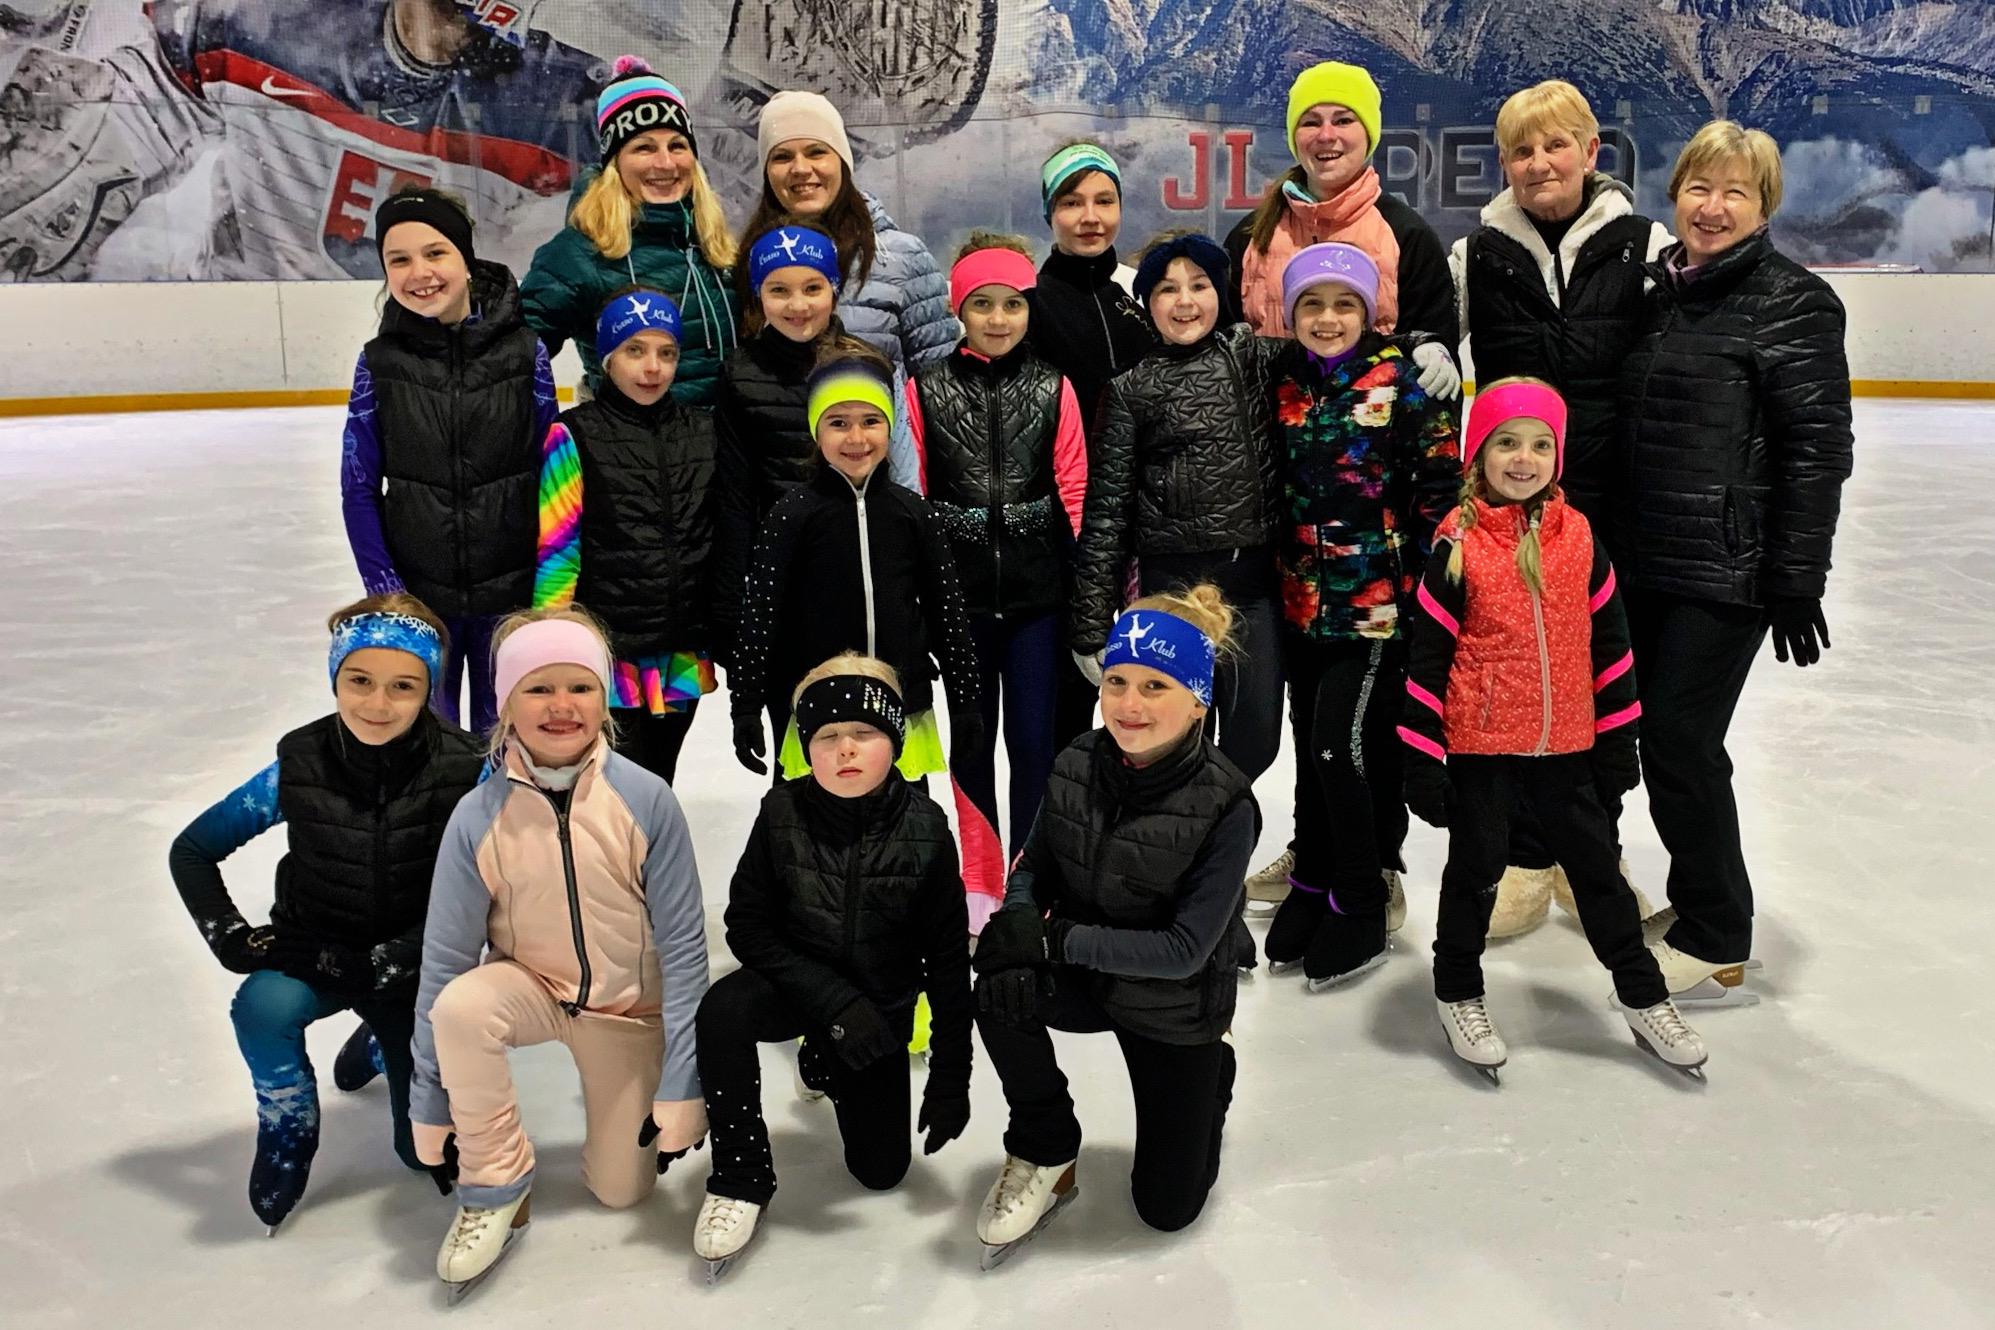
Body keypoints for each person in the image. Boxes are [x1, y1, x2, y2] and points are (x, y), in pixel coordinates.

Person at [1397, 380, 1707, 1080]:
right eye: (1506, 442)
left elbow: (1613, 648)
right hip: (1480, 745)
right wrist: (1422, 757)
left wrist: (1618, 739)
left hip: (1567, 744)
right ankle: (1457, 991)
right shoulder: (1458, 543)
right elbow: (1427, 658)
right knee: (1475, 871)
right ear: (1478, 455)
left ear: (1557, 457)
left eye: (1540, 445)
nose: (1523, 458)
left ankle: (1642, 995)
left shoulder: (1580, 539)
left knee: (1598, 874)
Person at [1618, 122, 1854, 1007]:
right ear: (1674, 194)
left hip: (1724, 566)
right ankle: (1696, 905)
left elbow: (1816, 451)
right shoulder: (1658, 293)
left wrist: (1795, 575)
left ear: (1763, 208)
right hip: (1643, 556)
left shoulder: (1794, 302)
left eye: (1734, 193)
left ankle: (1716, 929)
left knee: (1680, 740)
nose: (1711, 208)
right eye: (1698, 188)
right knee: (1653, 738)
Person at [409, 608, 709, 1298]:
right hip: (532, 987)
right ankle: (495, 1185)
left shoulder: (645, 800)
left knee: (622, 1192)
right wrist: (430, 1096)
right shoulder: (476, 817)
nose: (560, 706)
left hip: (626, 1012)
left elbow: (686, 951)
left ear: (604, 699)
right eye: (538, 688)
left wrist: (682, 1081)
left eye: (579, 687)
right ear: (505, 703)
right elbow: (446, 960)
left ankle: (621, 1123)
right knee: (461, 1007)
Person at [166, 595, 484, 1231]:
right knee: (263, 1008)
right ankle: (287, 1123)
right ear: (335, 677)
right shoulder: (299, 764)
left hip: (413, 971)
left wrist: (388, 964)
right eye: (359, 680)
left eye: (403, 686)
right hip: (315, 951)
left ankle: (380, 1038)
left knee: (418, 1154)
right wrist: (231, 939)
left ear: (429, 689)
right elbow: (193, 850)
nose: (377, 703)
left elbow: (483, 893)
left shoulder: (469, 770)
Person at [1226, 58, 1461, 909]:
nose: (1326, 135)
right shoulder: (1253, 235)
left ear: (1370, 133)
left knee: (1358, 725)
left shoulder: (1404, 232)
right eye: (1311, 120)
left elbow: (1432, 380)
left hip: (1371, 541)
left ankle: (1376, 862)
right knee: (1311, 718)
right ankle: (1314, 852)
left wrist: (1435, 350)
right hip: (1286, 524)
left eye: (1343, 119)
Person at [1447, 79, 1673, 936]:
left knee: (1598, 682)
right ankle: (1521, 858)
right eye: (1521, 150)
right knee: (1511, 681)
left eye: (1554, 145)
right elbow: (1434, 349)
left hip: (1612, 507)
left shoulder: (1644, 247)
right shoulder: (1476, 255)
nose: (1538, 162)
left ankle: (1590, 852)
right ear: (1504, 163)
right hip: (1510, 513)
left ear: (1590, 151)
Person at [970, 586, 1256, 1261]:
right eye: (1117, 682)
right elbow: (1035, 863)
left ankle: (1212, 1072)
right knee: (997, 987)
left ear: (1198, 701)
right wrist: (1018, 925)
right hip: (1086, 975)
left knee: (1166, 1209)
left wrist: (1052, 939)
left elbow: (1184, 950)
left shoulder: (1226, 805)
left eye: (1155, 686)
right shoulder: (1076, 761)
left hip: (1172, 1002)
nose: (1129, 704)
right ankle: (1044, 1147)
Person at [689, 656, 973, 1279]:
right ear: (807, 748)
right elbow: (747, 925)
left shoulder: (926, 830)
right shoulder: (780, 813)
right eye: (827, 735)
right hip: (799, 989)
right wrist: (833, 1003)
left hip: (877, 1015)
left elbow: (949, 963)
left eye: (864, 732)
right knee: (724, 1008)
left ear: (895, 741)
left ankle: (826, 1058)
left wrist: (952, 1076)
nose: (846, 748)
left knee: (881, 1172)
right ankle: (739, 1175)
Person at [1260, 244, 1461, 987]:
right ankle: (1313, 878)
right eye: (1311, 304)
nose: (1327, 318)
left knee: (1336, 749)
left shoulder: (1400, 382)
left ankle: (1362, 897)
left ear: (1368, 313)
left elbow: (1439, 489)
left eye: (1344, 304)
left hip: (1376, 604)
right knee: (1309, 748)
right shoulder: (1281, 380)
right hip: (1299, 601)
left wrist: (1433, 592)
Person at [907, 235, 1088, 932]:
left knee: (1034, 744)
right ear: (959, 309)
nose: (998, 318)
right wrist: (923, 599)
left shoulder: (1053, 386)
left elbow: (1075, 490)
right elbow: (916, 498)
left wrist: (1085, 592)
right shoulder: (924, 389)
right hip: (961, 606)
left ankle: (1027, 883)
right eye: (982, 304)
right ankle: (979, 883)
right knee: (973, 741)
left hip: (1039, 602)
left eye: (1012, 304)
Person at [340, 186, 555, 734]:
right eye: (399, 260)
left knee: (500, 743)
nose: (420, 273)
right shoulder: (379, 364)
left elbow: (555, 481)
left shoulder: (525, 353)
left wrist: (546, 590)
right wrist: (387, 592)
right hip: (419, 602)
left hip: (511, 600)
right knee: (427, 745)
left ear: (465, 256)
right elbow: (358, 487)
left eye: (435, 253)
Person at [1071, 232, 1284, 783]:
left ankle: (1213, 824)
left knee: (1256, 740)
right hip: (1169, 589)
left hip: (1251, 585)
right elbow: (1106, 512)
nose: (1185, 301)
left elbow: (1336, 345)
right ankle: (1180, 836)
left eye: (1199, 285)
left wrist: (1421, 343)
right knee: (1173, 740)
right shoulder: (1130, 390)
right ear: (1148, 303)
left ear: (1220, 292)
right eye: (1167, 289)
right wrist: (1091, 624)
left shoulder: (1253, 356)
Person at [729, 351, 983, 787]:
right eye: (838, 422)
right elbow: (760, 618)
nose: (856, 437)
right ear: (816, 431)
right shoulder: (791, 515)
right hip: (816, 711)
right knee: (809, 819)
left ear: (890, 426)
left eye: (870, 420)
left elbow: (948, 614)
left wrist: (966, 703)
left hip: (899, 705)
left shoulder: (913, 513)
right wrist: (746, 707)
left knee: (904, 817)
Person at [533, 289, 718, 782]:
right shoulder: (573, 434)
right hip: (609, 653)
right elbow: (558, 548)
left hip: (681, 650)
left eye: (667, 353)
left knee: (659, 780)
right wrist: (553, 641)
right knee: (609, 782)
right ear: (608, 357)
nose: (653, 367)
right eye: (635, 350)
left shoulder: (703, 432)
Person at [740, 90, 957, 486]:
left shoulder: (901, 257)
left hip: (885, 488)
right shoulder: (747, 260)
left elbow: (941, 392)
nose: (801, 169)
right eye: (782, 156)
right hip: (782, 492)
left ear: (842, 159)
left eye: (816, 152)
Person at [1026, 141, 1160, 749]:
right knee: (1069, 707)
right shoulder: (1029, 307)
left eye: (1104, 201)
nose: (1090, 217)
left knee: (1157, 694)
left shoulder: (1143, 300)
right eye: (1071, 202)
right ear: (1049, 213)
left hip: (1150, 524)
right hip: (1069, 532)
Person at [522, 57, 739, 404]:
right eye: (644, 148)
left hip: (724, 438)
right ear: (615, 163)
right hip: (634, 439)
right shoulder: (580, 253)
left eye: (677, 146)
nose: (665, 163)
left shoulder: (716, 247)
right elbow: (511, 366)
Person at [710, 220, 875, 660]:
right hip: (778, 577)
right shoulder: (740, 374)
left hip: (855, 571)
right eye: (779, 290)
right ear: (758, 294)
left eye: (812, 288)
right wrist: (731, 604)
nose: (797, 305)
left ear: (834, 289)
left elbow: (892, 480)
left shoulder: (863, 363)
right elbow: (734, 495)